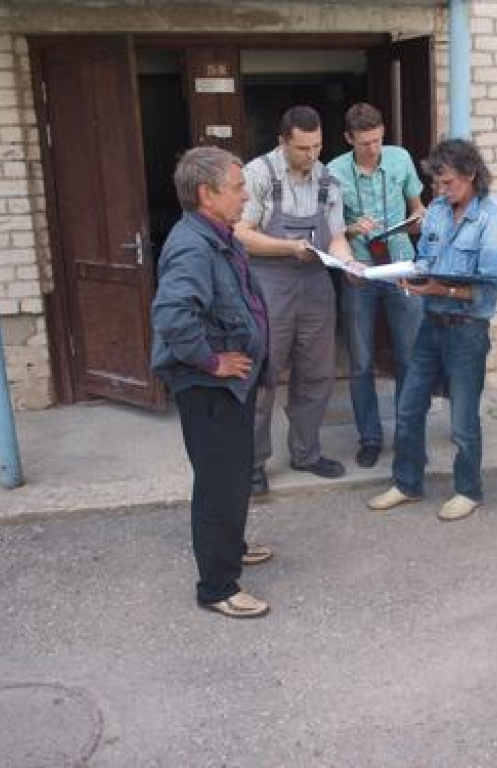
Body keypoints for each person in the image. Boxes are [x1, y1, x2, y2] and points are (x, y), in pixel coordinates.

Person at [151, 146, 272, 619]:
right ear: (207, 193)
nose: (245, 195)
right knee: (218, 482)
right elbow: (173, 314)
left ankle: (232, 545)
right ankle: (218, 587)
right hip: (209, 388)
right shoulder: (191, 245)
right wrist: (210, 362)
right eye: (238, 187)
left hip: (230, 388)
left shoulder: (217, 235)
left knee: (233, 471)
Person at [367, 139, 497, 522]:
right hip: (430, 323)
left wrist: (442, 288)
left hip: (467, 330)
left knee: (463, 419)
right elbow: (426, 261)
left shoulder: (493, 220)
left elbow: (486, 286)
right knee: (409, 407)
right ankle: (407, 483)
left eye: (448, 183)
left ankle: (468, 490)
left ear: (471, 176)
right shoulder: (435, 211)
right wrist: (411, 275)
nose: (440, 191)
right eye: (437, 183)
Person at [236, 105, 361, 495]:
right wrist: (289, 247)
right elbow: (241, 231)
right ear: (282, 142)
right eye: (303, 148)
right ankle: (253, 463)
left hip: (316, 284)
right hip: (269, 285)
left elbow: (337, 236)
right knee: (264, 376)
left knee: (317, 373)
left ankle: (306, 453)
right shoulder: (257, 175)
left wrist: (350, 263)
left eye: (318, 146)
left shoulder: (329, 179)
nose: (312, 156)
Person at [327, 103, 426, 469]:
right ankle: (369, 437)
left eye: (377, 140)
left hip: (400, 266)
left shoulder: (400, 159)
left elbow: (418, 209)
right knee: (361, 361)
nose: (372, 149)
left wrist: (416, 221)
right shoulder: (333, 171)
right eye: (364, 143)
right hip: (360, 271)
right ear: (348, 139)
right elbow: (331, 230)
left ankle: (407, 435)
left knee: (409, 358)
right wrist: (354, 230)